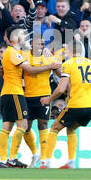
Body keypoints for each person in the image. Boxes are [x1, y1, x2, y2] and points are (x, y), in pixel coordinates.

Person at [0, 26, 59, 168]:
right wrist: (50, 66)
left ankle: (5, 160)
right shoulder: (16, 53)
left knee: (8, 126)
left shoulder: (16, 53)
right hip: (16, 93)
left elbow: (6, 70)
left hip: (19, 92)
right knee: (23, 126)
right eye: (21, 34)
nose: (24, 36)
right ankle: (12, 158)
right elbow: (29, 69)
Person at [39, 40, 91, 169]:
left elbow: (60, 89)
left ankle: (46, 162)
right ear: (82, 51)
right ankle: (71, 162)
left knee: (54, 128)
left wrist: (48, 99)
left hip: (76, 104)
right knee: (71, 129)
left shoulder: (68, 64)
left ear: (69, 51)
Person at [22, 37, 61, 168]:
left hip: (44, 96)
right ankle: (35, 153)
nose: (42, 45)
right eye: (39, 43)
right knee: (25, 128)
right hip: (27, 96)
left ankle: (44, 160)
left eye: (43, 44)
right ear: (32, 44)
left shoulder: (49, 57)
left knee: (43, 125)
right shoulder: (24, 55)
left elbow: (60, 74)